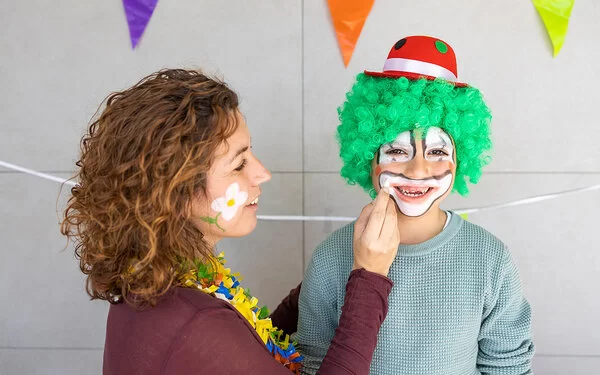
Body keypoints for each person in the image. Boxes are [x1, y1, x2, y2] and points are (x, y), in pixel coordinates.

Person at [61, 68, 401, 374]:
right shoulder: (196, 323)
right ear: (175, 193)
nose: (262, 173)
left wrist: (323, 279)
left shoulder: (164, 284)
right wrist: (368, 278)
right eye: (239, 165)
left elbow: (248, 348)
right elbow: (221, 340)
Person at [297, 36, 535, 375]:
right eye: (396, 151)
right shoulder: (330, 257)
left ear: (460, 160)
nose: (418, 170)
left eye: (437, 152)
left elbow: (507, 366)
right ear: (368, 159)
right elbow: (312, 364)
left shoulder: (490, 258)